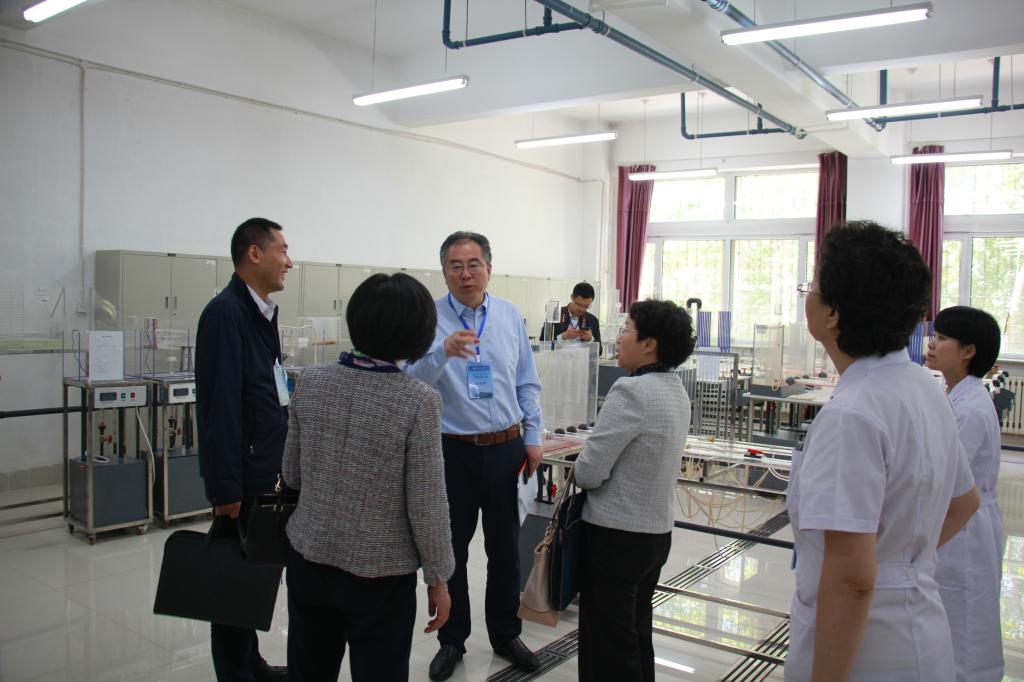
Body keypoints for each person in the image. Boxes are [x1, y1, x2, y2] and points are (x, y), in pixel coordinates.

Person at [786, 221, 980, 682]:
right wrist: (901, 563)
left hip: (865, 651)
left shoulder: (851, 414)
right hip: (921, 629)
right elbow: (964, 502)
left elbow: (852, 578)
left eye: (812, 287)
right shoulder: (922, 386)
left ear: (832, 315)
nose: (806, 295)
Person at [281, 273, 456, 682]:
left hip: (309, 557)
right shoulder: (418, 400)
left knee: (308, 669)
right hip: (381, 574)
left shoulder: (310, 382)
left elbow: (291, 473)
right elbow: (427, 504)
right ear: (416, 333)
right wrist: (438, 579)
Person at [405, 231, 544, 681]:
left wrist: (533, 436)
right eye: (456, 265)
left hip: (506, 448)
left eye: (474, 264)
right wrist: (442, 353)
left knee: (505, 550)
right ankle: (452, 639)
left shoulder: (508, 315)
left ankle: (506, 633)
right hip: (451, 451)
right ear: (444, 271)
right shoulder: (428, 318)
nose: (465, 273)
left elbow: (527, 381)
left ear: (489, 268)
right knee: (451, 551)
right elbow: (409, 378)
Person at [574, 299, 694, 682]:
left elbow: (589, 472)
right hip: (655, 535)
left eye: (626, 330)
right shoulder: (676, 390)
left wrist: (579, 465)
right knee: (637, 632)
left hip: (616, 537)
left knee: (609, 642)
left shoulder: (630, 391)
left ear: (649, 345)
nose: (619, 338)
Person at [196, 217, 293, 682]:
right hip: (243, 480)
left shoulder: (261, 313)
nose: (289, 261)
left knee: (253, 576)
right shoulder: (226, 313)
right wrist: (225, 487)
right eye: (282, 250)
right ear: (254, 253)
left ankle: (250, 662)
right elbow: (220, 408)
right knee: (233, 582)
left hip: (265, 470)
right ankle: (236, 673)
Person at [926, 306, 1005, 682]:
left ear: (969, 351)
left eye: (943, 338)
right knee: (956, 617)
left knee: (965, 626)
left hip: (966, 530)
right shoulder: (958, 396)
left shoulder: (970, 409)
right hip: (963, 523)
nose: (932, 344)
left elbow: (946, 478)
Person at [539, 282, 603, 353]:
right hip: (558, 359)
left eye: (586, 306)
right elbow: (542, 344)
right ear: (572, 297)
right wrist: (562, 337)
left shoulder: (592, 320)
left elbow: (599, 351)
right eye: (579, 304)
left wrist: (590, 339)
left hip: (582, 359)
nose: (582, 309)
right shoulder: (556, 315)